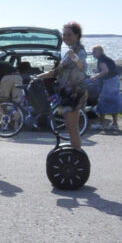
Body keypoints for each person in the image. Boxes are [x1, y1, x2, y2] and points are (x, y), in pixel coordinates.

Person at [37, 22, 87, 150]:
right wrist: (41, 76)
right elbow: (57, 71)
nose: (66, 37)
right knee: (70, 127)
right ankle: (76, 154)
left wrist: (74, 57)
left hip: (74, 92)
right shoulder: (68, 51)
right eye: (64, 35)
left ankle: (77, 155)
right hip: (66, 92)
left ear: (77, 35)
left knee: (72, 128)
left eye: (69, 34)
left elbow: (82, 66)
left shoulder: (79, 50)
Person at [91, 45, 122, 131]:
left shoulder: (101, 59)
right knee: (113, 101)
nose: (92, 54)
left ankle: (101, 124)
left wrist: (96, 77)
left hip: (109, 82)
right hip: (115, 80)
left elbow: (105, 71)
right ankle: (115, 124)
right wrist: (98, 71)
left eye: (94, 52)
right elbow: (108, 70)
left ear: (99, 52)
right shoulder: (106, 58)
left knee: (102, 101)